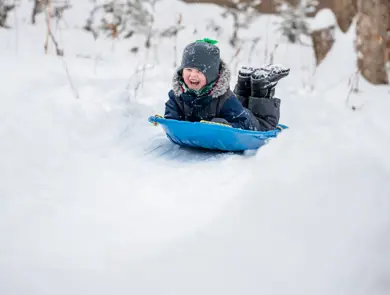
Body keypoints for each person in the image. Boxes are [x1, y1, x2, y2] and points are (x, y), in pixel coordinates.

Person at [164, 38, 289, 131]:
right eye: (188, 70)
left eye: (199, 71)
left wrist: (224, 125)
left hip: (255, 124)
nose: (192, 75)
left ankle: (261, 87)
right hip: (238, 112)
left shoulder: (224, 99)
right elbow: (171, 118)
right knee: (240, 106)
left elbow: (246, 125)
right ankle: (244, 81)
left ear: (211, 75)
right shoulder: (177, 95)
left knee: (264, 126)